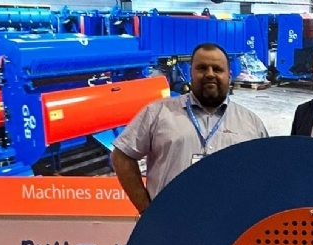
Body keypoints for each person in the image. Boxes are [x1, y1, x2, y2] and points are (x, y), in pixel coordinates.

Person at [112, 42, 269, 213]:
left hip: (231, 224)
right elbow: (121, 156)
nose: (210, 74)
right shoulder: (157, 113)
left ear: (229, 75)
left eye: (217, 69)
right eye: (202, 68)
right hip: (169, 223)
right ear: (190, 73)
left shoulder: (251, 124)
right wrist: (146, 210)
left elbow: (265, 173)